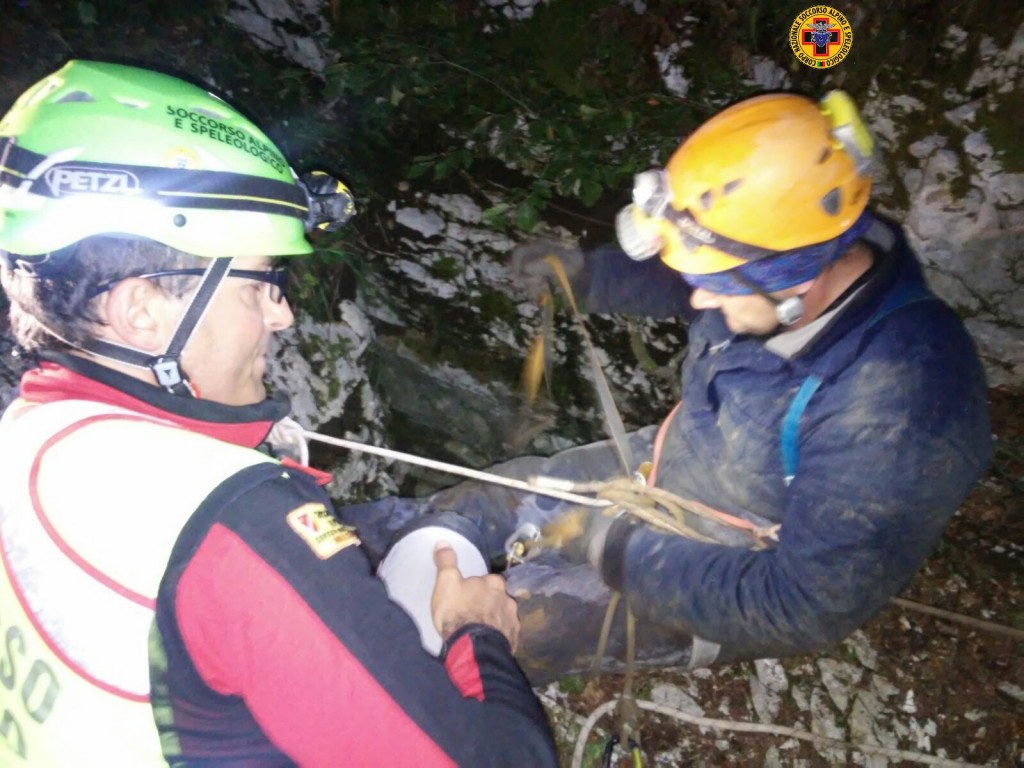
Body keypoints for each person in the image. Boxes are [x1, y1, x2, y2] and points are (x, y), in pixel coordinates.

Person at [0, 59, 557, 767]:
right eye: (261, 282)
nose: (283, 315)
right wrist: (477, 635)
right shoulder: (238, 523)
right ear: (141, 310)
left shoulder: (27, 435)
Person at [340, 90, 992, 683]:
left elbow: (804, 605)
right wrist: (584, 277)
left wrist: (621, 550)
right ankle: (311, 549)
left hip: (724, 567)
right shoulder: (784, 252)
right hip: (668, 460)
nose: (701, 297)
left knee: (503, 626)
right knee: (477, 505)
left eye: (723, 284)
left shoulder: (904, 407)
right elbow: (692, 281)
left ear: (798, 286)